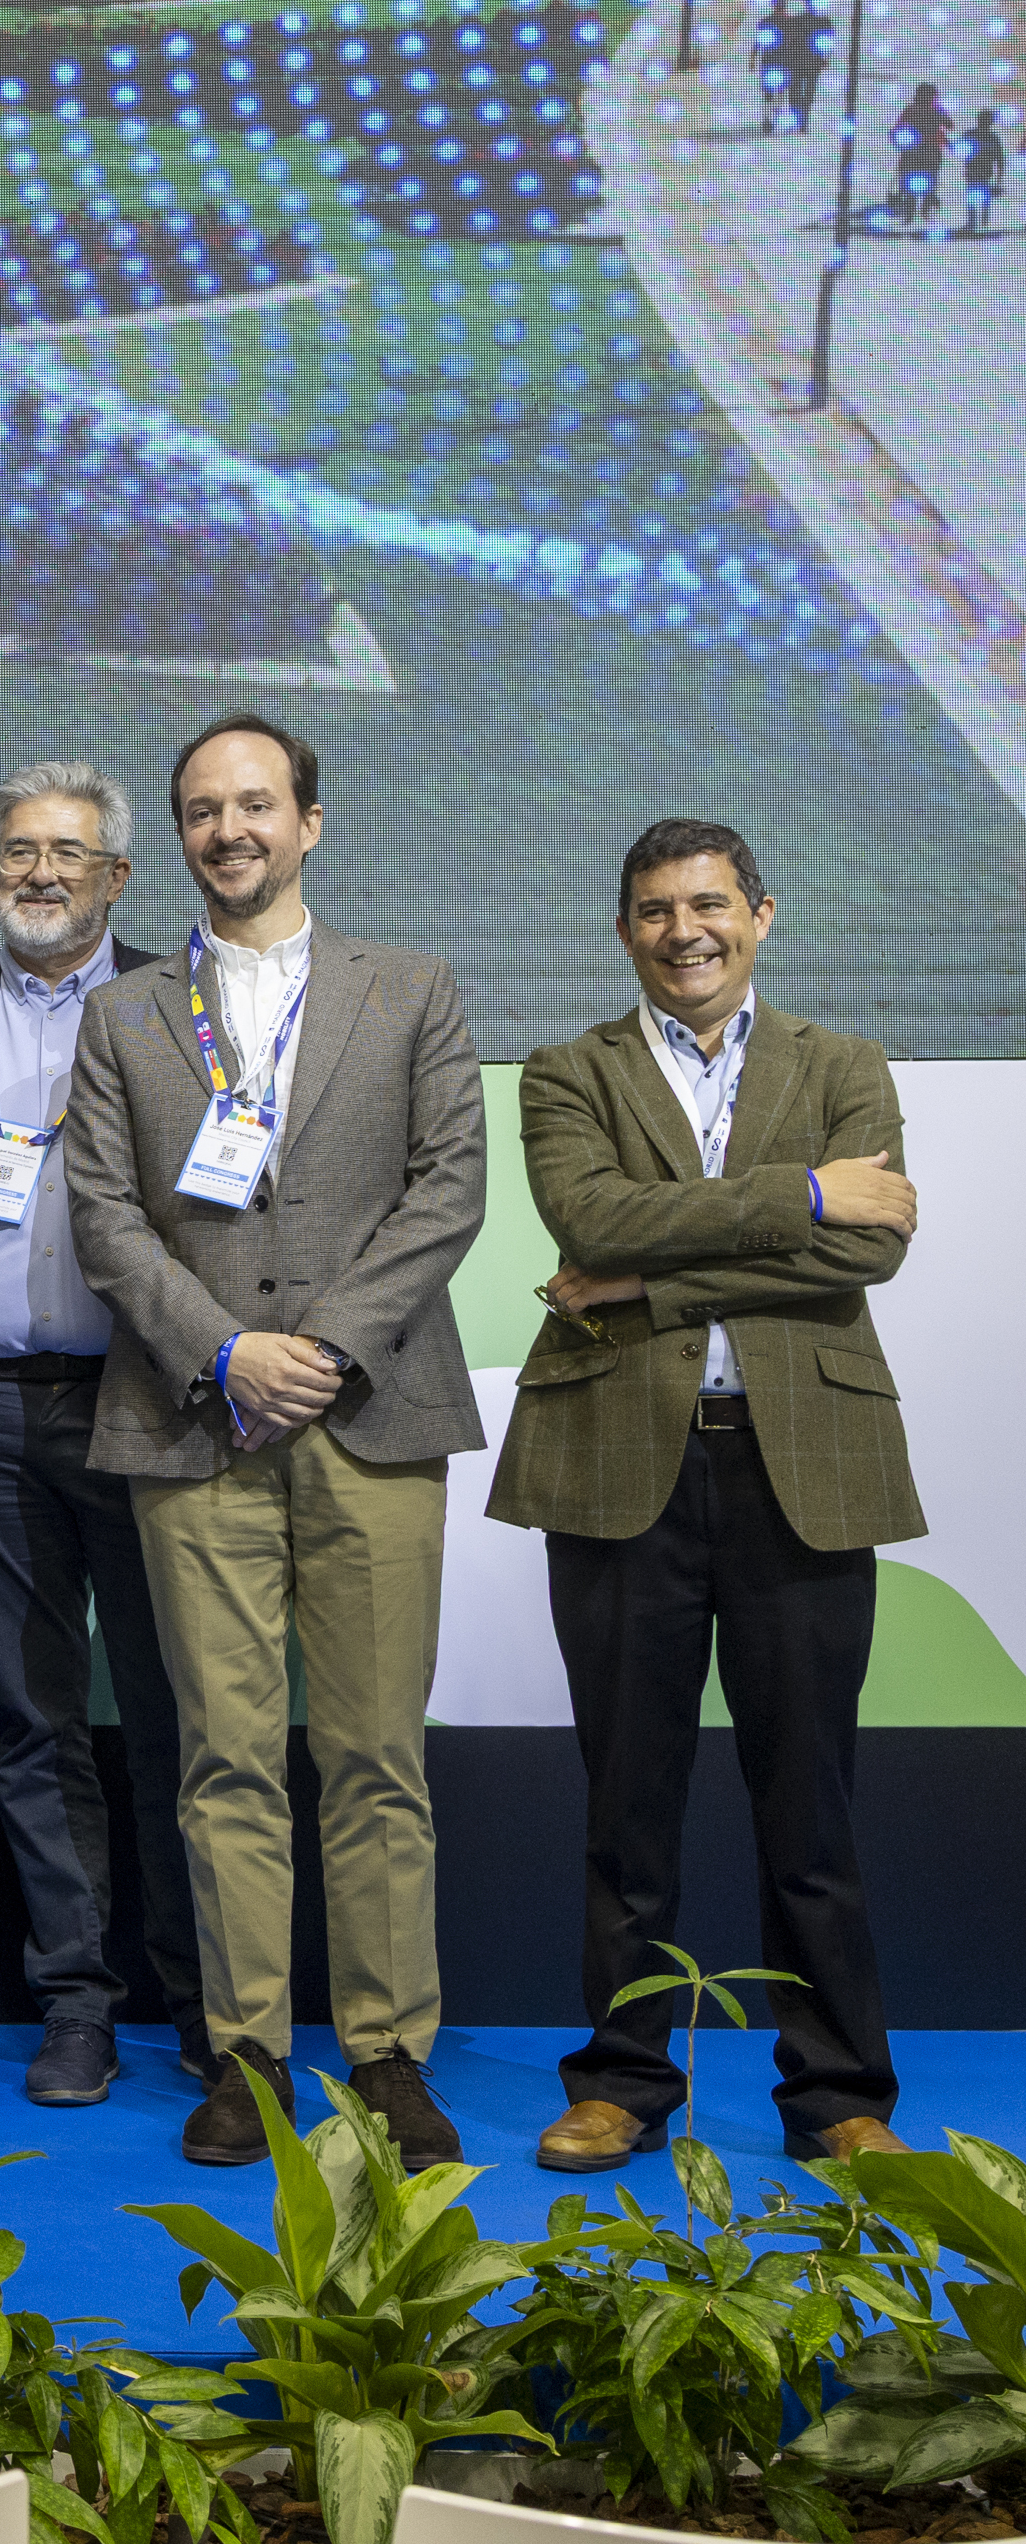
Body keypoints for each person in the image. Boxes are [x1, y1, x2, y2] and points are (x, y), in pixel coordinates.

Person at [63, 712, 486, 2170]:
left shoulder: (412, 988)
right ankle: (246, 2050)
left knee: (376, 1752)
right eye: (200, 810)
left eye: (255, 804)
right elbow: (106, 1218)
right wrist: (228, 1351)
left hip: (373, 1419)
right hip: (196, 1426)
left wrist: (319, 1350)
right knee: (224, 1756)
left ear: (312, 819)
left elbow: (449, 1190)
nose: (228, 829)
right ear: (177, 837)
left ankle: (386, 2053)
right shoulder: (123, 1017)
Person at [489, 820, 923, 2171]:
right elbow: (595, 1221)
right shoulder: (567, 1072)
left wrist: (648, 1284)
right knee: (631, 1801)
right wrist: (799, 1192)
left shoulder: (843, 1064)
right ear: (624, 928)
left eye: (712, 904)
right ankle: (623, 2079)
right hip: (622, 1464)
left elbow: (876, 1253)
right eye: (657, 908)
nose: (687, 929)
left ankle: (840, 2091)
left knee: (815, 1802)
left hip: (806, 1460)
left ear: (763, 913)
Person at [0, 765, 201, 2106]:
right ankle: (76, 1997)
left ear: (118, 877)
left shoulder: (182, 1006)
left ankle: (202, 1997)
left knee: (180, 1713)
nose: (40, 871)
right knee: (35, 1719)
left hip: (142, 1403)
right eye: (18, 849)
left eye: (69, 852)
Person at [889, 83, 955, 226]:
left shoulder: (912, 110)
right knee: (925, 182)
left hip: (915, 154)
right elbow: (950, 125)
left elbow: (896, 129)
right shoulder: (933, 112)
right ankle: (922, 209)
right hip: (926, 154)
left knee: (911, 184)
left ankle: (912, 212)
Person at [787, 0, 833, 132]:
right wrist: (826, 58)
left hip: (796, 61)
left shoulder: (797, 20)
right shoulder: (825, 21)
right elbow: (828, 42)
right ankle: (803, 122)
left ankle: (797, 120)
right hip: (813, 62)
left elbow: (789, 40)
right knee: (807, 93)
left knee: (795, 92)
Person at [750, 0, 793, 134]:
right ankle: (770, 119)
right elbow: (758, 42)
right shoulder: (784, 22)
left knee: (776, 93)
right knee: (773, 93)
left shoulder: (770, 21)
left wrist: (752, 59)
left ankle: (771, 119)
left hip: (778, 62)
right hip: (776, 62)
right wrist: (752, 58)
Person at [965, 108, 1005, 235]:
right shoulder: (969, 135)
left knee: (984, 198)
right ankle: (973, 222)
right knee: (973, 198)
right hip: (973, 174)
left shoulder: (994, 139)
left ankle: (982, 222)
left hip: (984, 174)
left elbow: (1000, 161)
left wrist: (998, 180)